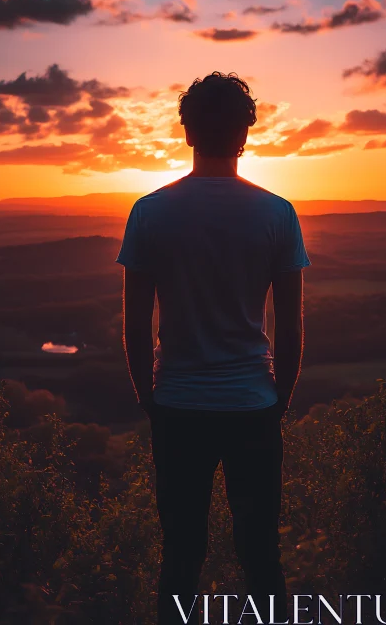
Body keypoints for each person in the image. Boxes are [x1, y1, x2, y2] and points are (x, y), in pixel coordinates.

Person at [116, 71, 311, 624]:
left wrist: (149, 399)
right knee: (261, 556)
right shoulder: (277, 213)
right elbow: (291, 328)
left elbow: (134, 325)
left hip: (177, 406)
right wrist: (279, 402)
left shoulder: (150, 211)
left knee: (180, 555)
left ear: (187, 133)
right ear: (245, 136)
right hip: (252, 406)